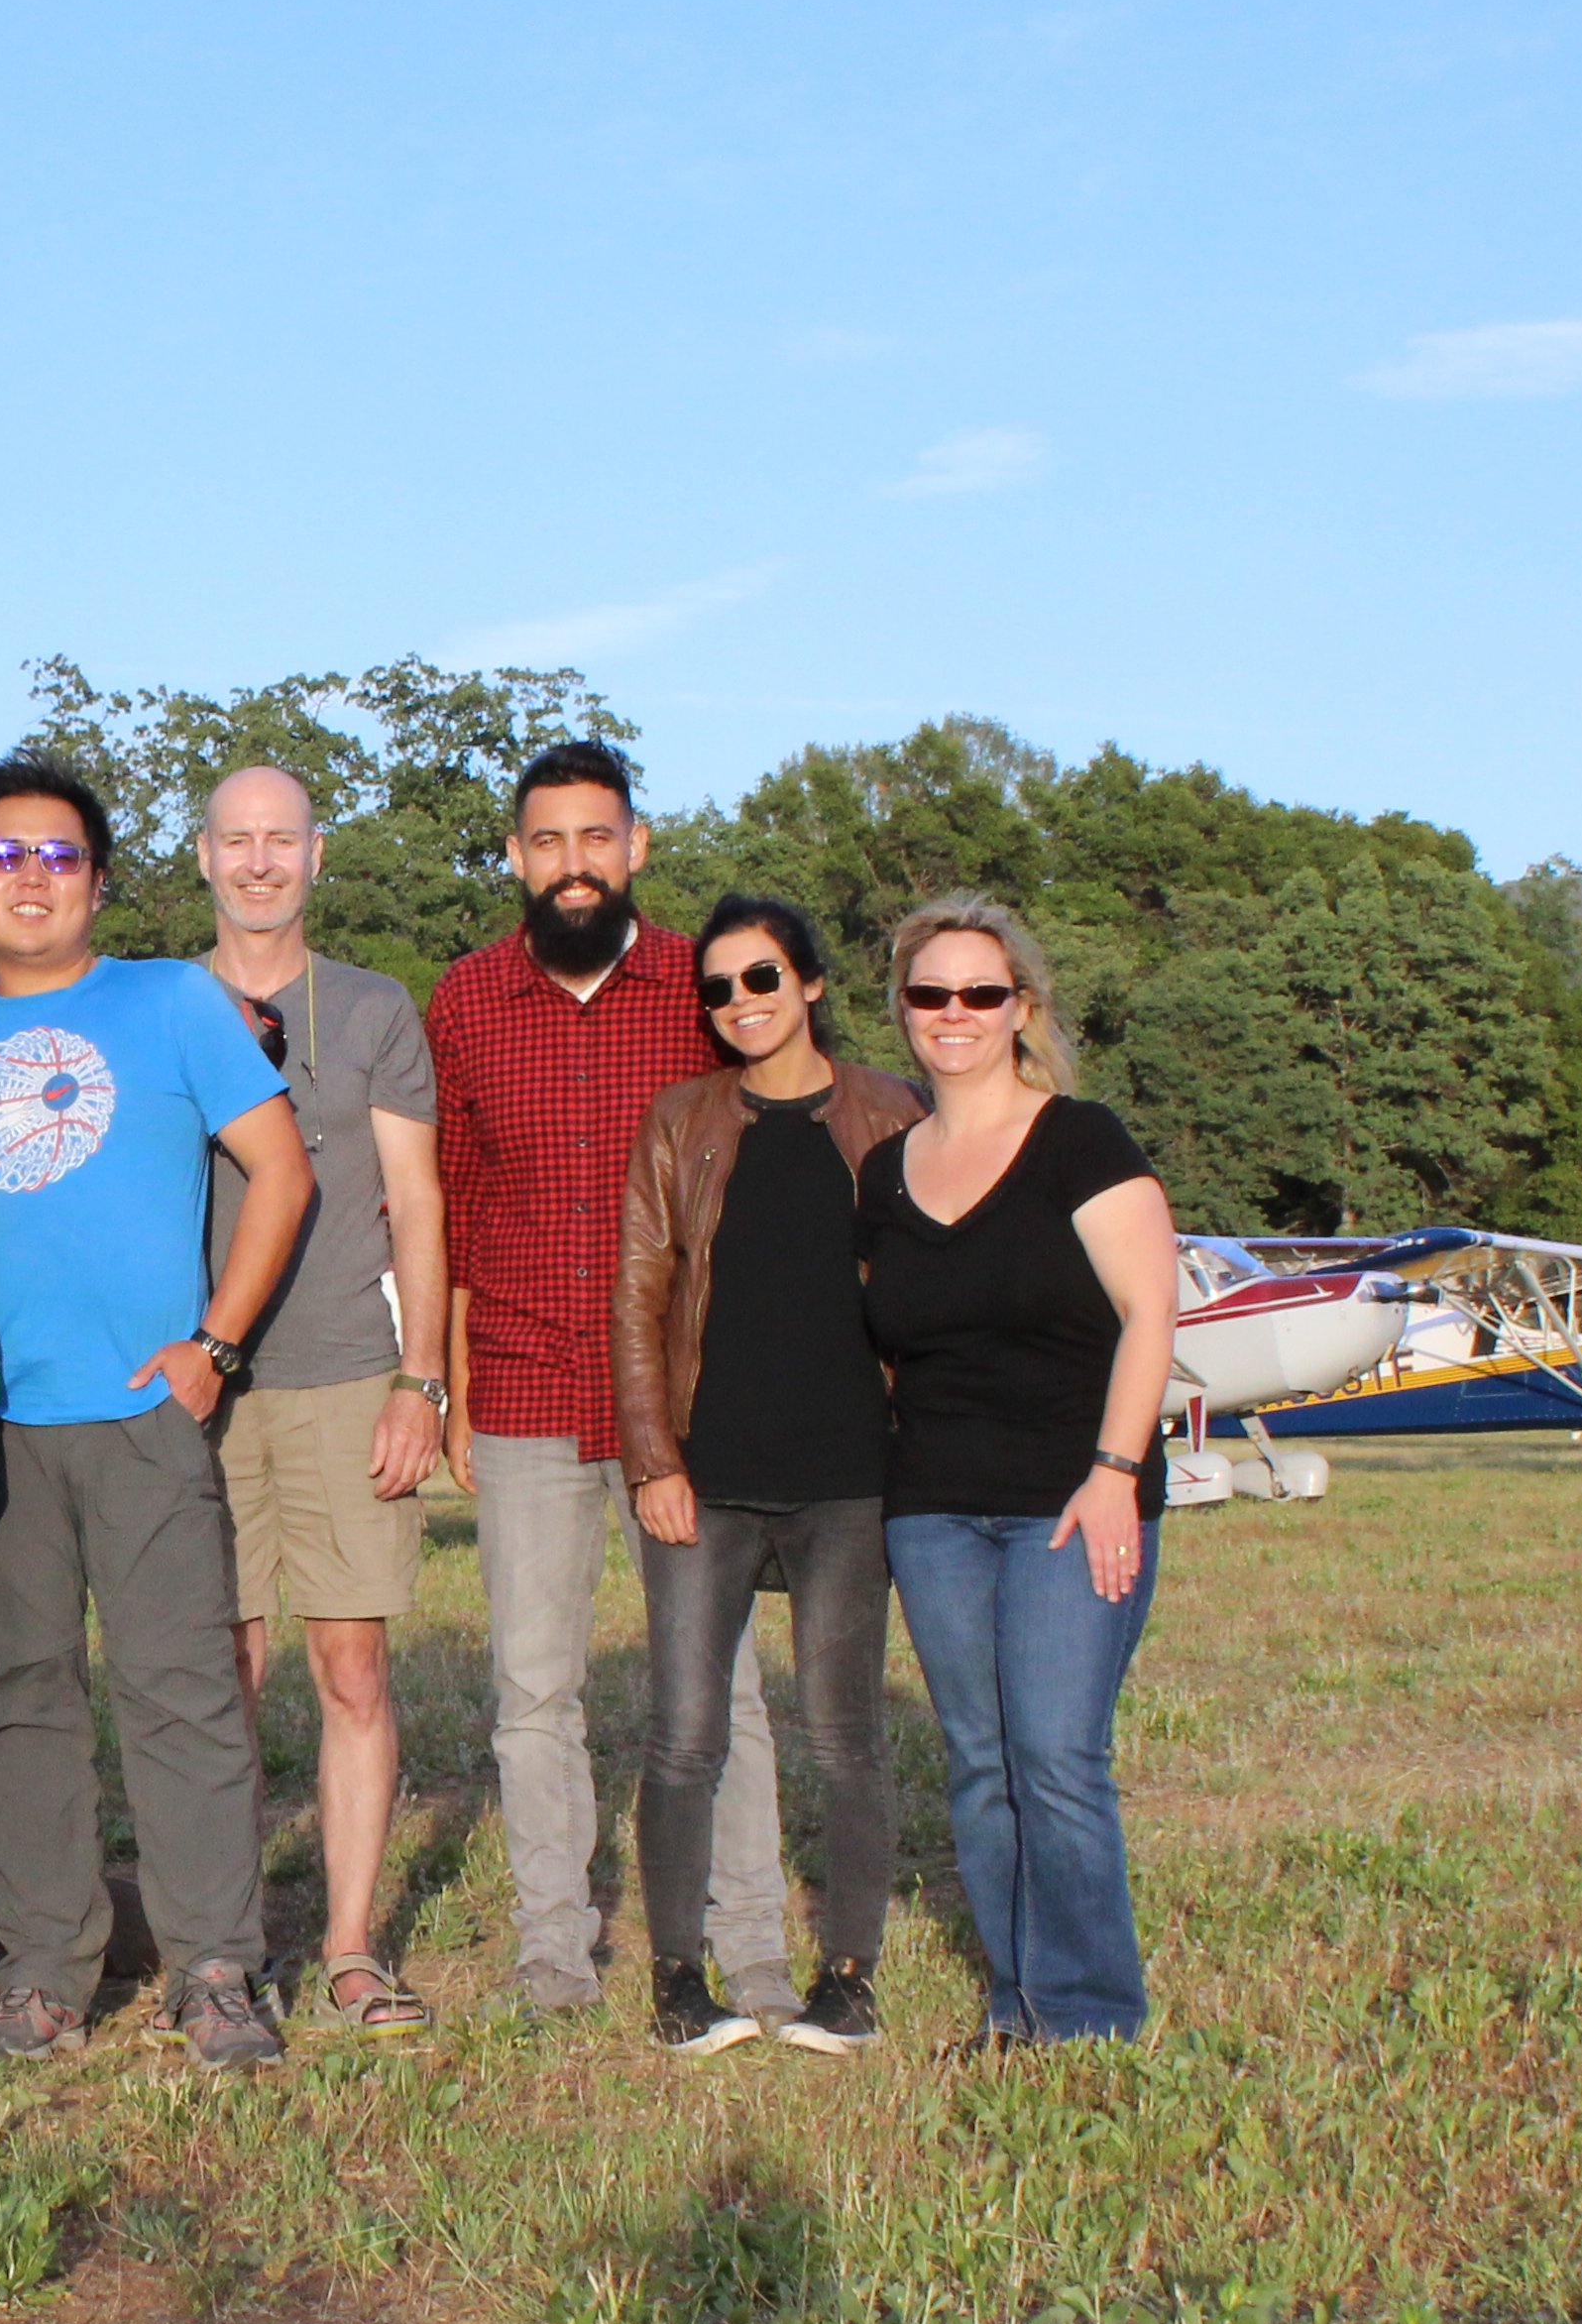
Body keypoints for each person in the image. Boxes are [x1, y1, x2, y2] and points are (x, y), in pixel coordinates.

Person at [0, 759, 312, 2072]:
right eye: (6, 857)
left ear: (99, 878)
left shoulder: (170, 1001)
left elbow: (282, 1172)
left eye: (61, 856)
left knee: (182, 1693)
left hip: (144, 1413)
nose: (33, 878)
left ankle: (216, 1969)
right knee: (17, 1699)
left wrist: (214, 1344)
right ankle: (43, 1971)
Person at [420, 741, 797, 2022]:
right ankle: (552, 1953)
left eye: (596, 838)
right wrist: (460, 1392)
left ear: (636, 847)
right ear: (515, 856)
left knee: (721, 1684)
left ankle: (750, 1944)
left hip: (685, 1402)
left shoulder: (705, 989)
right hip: (525, 1379)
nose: (571, 865)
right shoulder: (465, 1003)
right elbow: (457, 1209)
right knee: (533, 1690)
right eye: (546, 841)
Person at [857, 893, 1180, 2049]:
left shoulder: (1081, 1140)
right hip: (934, 1509)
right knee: (981, 1761)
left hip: (1069, 1497)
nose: (954, 1014)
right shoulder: (887, 1170)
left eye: (979, 994)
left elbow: (1152, 1314)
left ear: (1021, 1009)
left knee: (1055, 1755)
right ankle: (1014, 2003)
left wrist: (1112, 1471)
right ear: (903, 1012)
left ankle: (1090, 2019)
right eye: (929, 993)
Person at [614, 894, 927, 2054]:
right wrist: (653, 1459)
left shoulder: (892, 1114)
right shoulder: (681, 1121)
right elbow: (638, 1301)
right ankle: (677, 1983)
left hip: (851, 1476)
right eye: (719, 988)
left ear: (810, 987)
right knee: (685, 1736)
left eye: (761, 980)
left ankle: (848, 1977)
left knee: (843, 1732)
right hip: (709, 1474)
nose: (739, 1004)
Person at [188, 765, 450, 2034]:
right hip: (204, 1389)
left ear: (316, 854)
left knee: (350, 1668)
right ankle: (227, 1950)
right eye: (235, 841)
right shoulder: (155, 1005)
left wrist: (422, 1378)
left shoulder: (370, 1008)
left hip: (351, 1371)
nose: (257, 863)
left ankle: (349, 1948)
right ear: (201, 858)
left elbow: (423, 1201)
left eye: (278, 840)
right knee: (220, 1672)